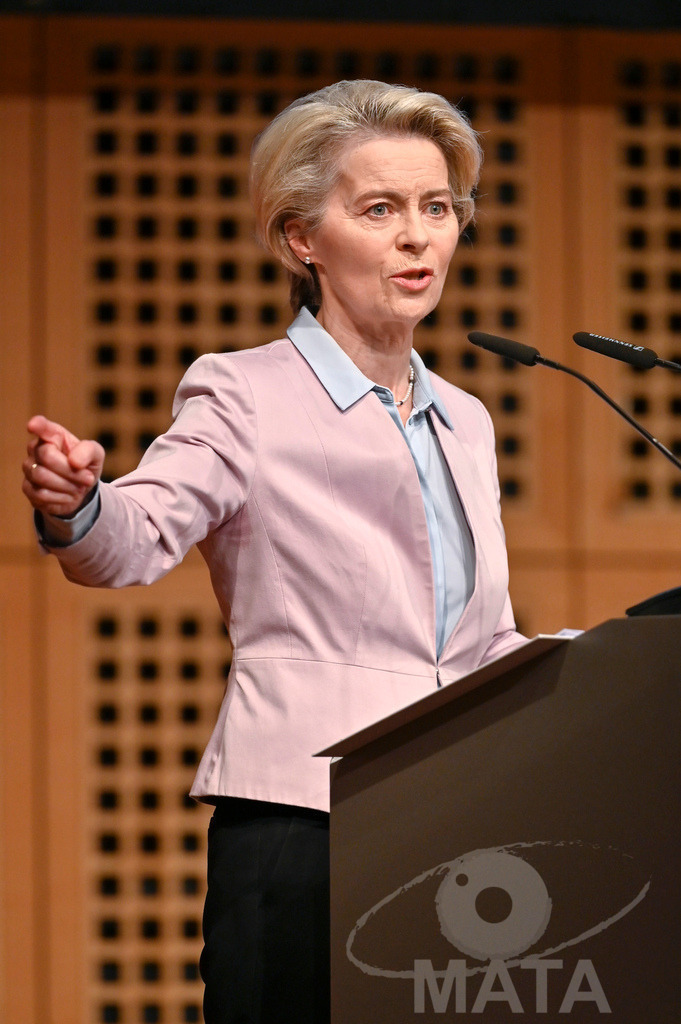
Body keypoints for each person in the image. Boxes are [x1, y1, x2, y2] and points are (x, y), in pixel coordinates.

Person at [22, 80, 527, 1023]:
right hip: (306, 823)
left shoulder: (466, 419)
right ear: (302, 238)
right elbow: (131, 541)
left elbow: (481, 640)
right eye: (379, 210)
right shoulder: (243, 393)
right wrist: (81, 503)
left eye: (436, 208)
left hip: (458, 826)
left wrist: (594, 673)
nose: (419, 237)